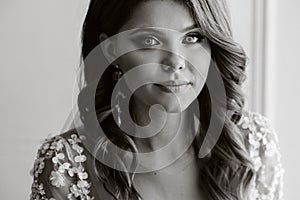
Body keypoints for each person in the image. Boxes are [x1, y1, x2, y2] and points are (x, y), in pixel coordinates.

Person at [30, 0, 284, 199]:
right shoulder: (65, 165)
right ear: (112, 51)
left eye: (192, 38)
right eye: (150, 41)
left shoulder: (252, 144)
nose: (176, 62)